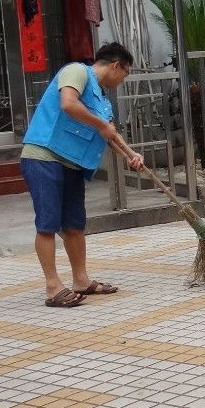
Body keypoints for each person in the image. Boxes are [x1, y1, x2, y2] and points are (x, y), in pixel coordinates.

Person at [21, 43, 144, 307]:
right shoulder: (77, 71)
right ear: (116, 65)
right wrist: (101, 124)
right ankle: (53, 287)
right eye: (126, 74)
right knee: (48, 224)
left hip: (73, 164)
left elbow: (110, 133)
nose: (123, 80)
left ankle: (81, 279)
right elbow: (68, 104)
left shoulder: (103, 100)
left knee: (74, 224)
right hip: (45, 155)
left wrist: (132, 155)